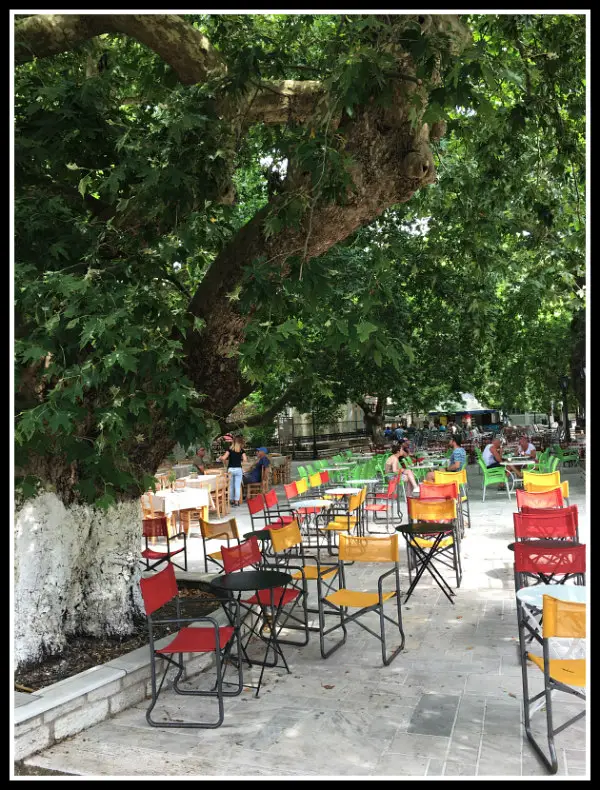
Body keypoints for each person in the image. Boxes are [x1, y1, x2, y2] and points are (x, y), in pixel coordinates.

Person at [218, 435, 246, 506]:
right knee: (237, 486)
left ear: (233, 441)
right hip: (238, 469)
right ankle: (236, 501)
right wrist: (240, 461)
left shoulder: (229, 449)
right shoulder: (241, 450)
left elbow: (224, 458)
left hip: (230, 469)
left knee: (230, 486)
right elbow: (245, 459)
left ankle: (231, 500)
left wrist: (221, 457)